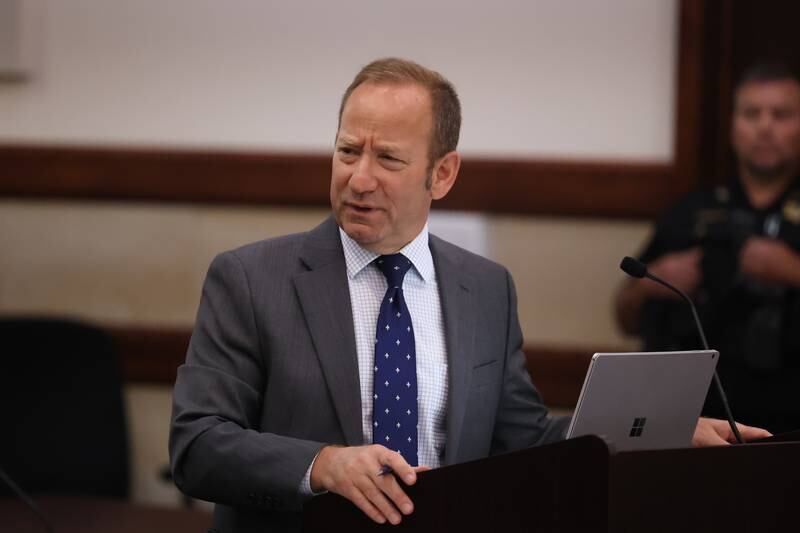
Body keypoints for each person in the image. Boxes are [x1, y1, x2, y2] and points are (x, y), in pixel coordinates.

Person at [171, 58, 768, 533]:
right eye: (348, 150)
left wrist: (657, 427)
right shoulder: (251, 279)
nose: (359, 177)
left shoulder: (484, 289)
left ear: (443, 173)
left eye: (389, 159)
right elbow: (197, 443)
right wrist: (322, 465)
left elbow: (523, 440)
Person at [616, 60, 800, 434]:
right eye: (752, 113)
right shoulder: (692, 209)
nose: (765, 126)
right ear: (733, 127)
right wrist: (653, 282)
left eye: (781, 115)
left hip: (789, 423)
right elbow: (624, 316)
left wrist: (792, 271)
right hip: (692, 424)